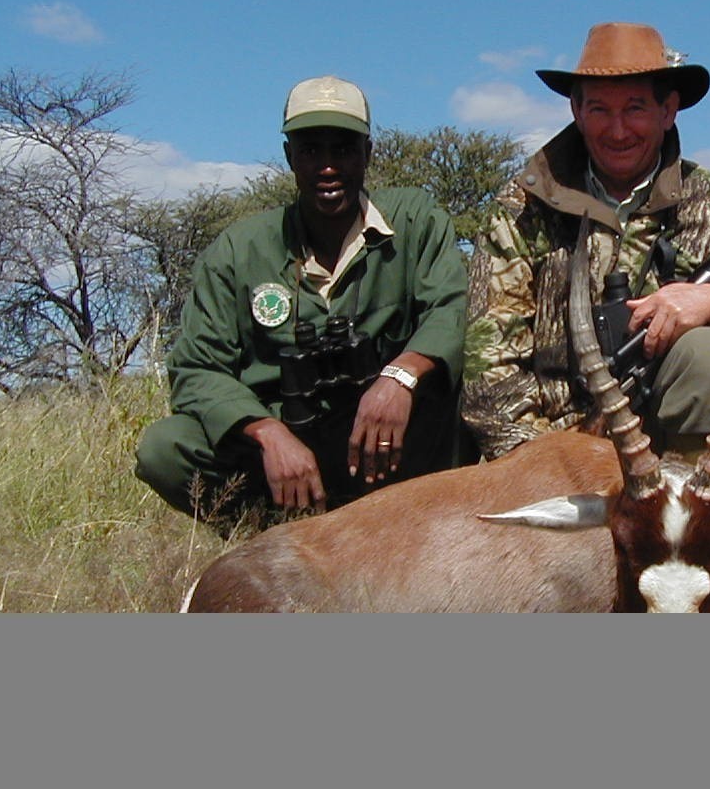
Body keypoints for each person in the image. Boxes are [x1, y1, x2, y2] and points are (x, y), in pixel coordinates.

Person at [136, 75, 468, 530]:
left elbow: (449, 310)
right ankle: (275, 537)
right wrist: (267, 433)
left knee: (461, 402)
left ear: (368, 154)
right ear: (289, 156)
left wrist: (399, 376)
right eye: (310, 151)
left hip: (392, 448)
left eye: (343, 149)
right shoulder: (238, 250)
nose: (327, 167)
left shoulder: (415, 221)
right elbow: (196, 369)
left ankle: (422, 528)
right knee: (165, 447)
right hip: (290, 453)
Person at [463, 22, 710, 460]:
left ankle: (692, 509)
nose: (618, 131)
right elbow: (488, 369)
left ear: (669, 110)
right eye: (600, 110)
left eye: (636, 108)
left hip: (667, 458)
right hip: (549, 454)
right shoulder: (520, 209)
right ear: (576, 112)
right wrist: (548, 465)